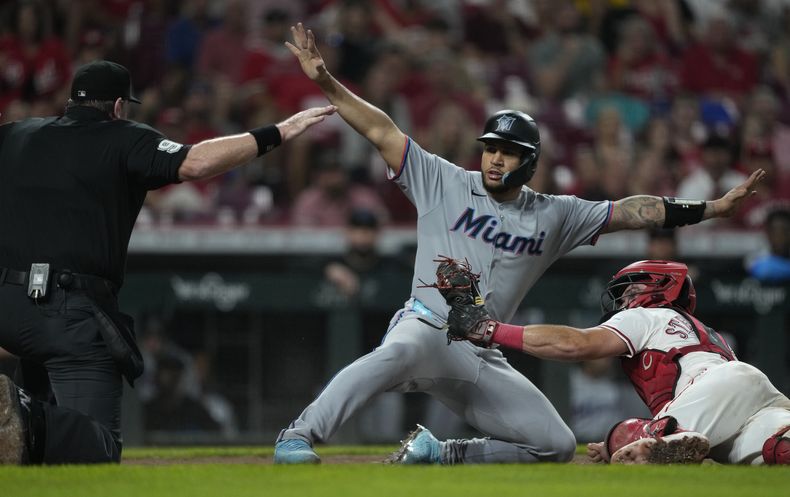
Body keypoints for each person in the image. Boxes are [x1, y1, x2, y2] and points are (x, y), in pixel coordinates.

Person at [272, 22, 765, 465]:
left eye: (508, 152)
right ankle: (298, 436)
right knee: (391, 355)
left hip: (480, 350)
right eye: (490, 147)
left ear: (528, 161)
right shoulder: (441, 179)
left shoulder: (556, 213)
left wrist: (712, 209)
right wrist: (326, 82)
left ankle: (440, 452)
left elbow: (636, 210)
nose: (494, 158)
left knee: (554, 444)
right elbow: (381, 128)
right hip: (425, 324)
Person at [0, 59, 335, 465]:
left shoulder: (17, 134)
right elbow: (195, 162)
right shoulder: (123, 136)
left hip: (8, 302)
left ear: (71, 100)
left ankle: (22, 411)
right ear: (119, 105)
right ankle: (23, 415)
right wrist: (278, 132)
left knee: (35, 451)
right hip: (68, 310)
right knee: (98, 447)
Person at [443, 260, 790, 465]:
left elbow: (574, 345)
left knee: (624, 437)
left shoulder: (649, 314)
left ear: (660, 289)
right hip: (751, 390)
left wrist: (489, 329)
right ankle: (664, 438)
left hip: (711, 390)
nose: (625, 298)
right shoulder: (703, 330)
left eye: (630, 289)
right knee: (775, 450)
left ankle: (655, 440)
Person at [748, 206, 790, 283]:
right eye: (776, 232)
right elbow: (764, 271)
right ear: (768, 233)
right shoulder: (757, 260)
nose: (782, 237)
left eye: (786, 231)